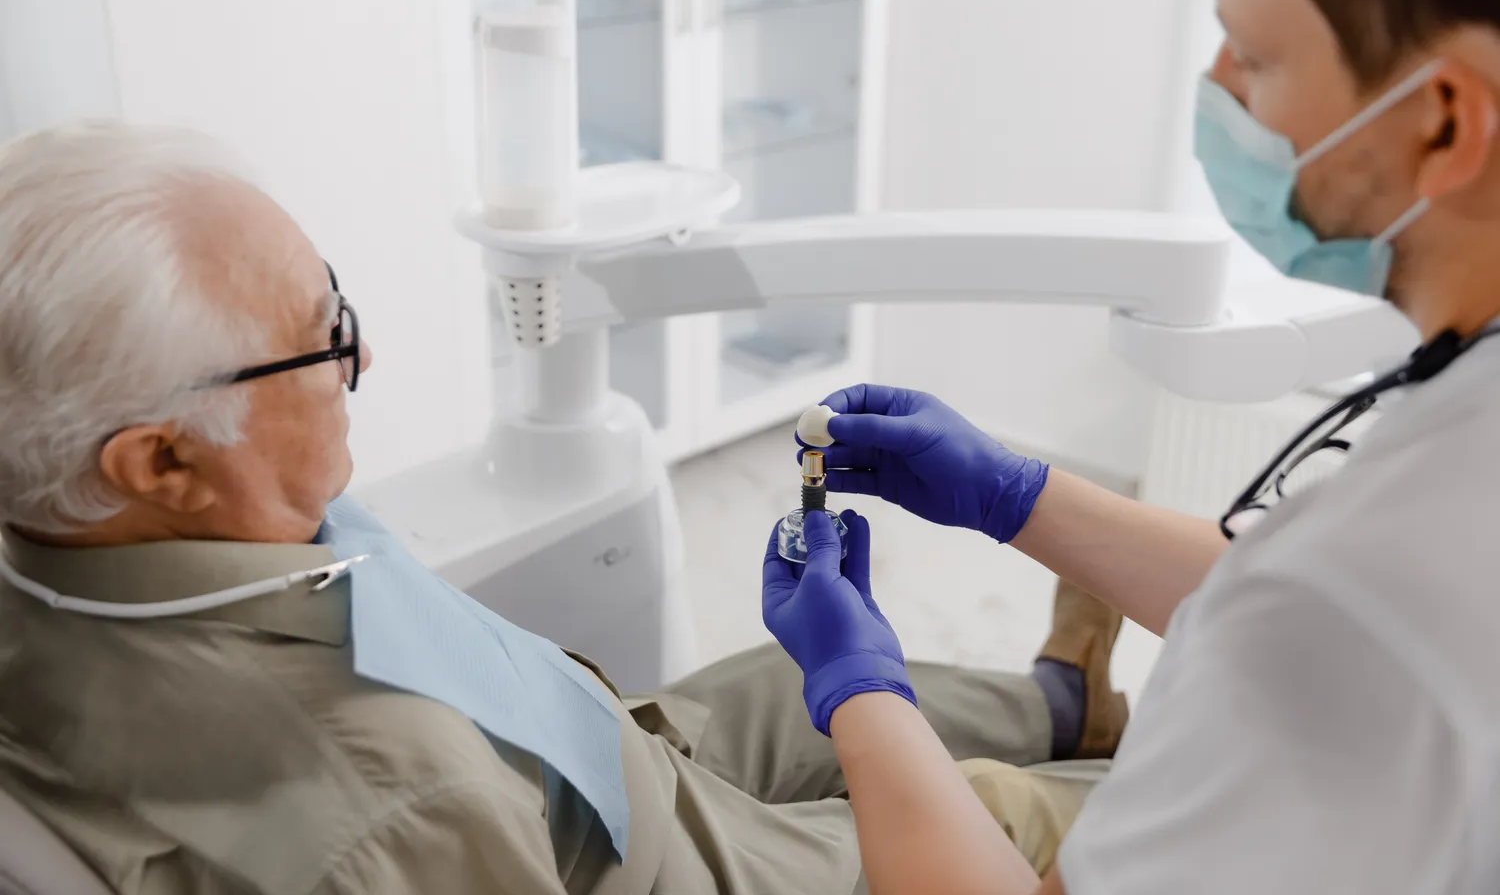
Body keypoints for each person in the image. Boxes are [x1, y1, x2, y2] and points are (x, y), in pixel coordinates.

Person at [0, 121, 1124, 895]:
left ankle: (1062, 702)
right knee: (1023, 813)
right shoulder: (395, 806)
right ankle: (1090, 771)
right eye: (322, 335)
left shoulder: (97, 541)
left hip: (583, 750)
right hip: (634, 859)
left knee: (792, 682)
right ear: (164, 461)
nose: (363, 356)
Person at [758, 0, 1500, 892]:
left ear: (1444, 124)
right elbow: (1306, 614)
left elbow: (1334, 616)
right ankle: (1064, 703)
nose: (1216, 87)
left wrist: (856, 690)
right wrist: (1014, 496)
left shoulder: (1367, 585)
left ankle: (1057, 706)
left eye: (1253, 55)